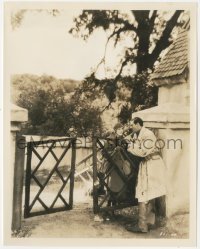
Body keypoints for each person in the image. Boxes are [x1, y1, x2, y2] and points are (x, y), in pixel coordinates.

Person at [126, 117, 166, 233]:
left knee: (144, 192)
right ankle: (148, 222)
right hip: (148, 164)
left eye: (132, 125)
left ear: (138, 124)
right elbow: (138, 146)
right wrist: (132, 142)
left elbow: (142, 152)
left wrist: (130, 147)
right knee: (148, 192)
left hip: (153, 165)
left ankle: (142, 225)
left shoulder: (147, 135)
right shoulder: (138, 134)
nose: (131, 127)